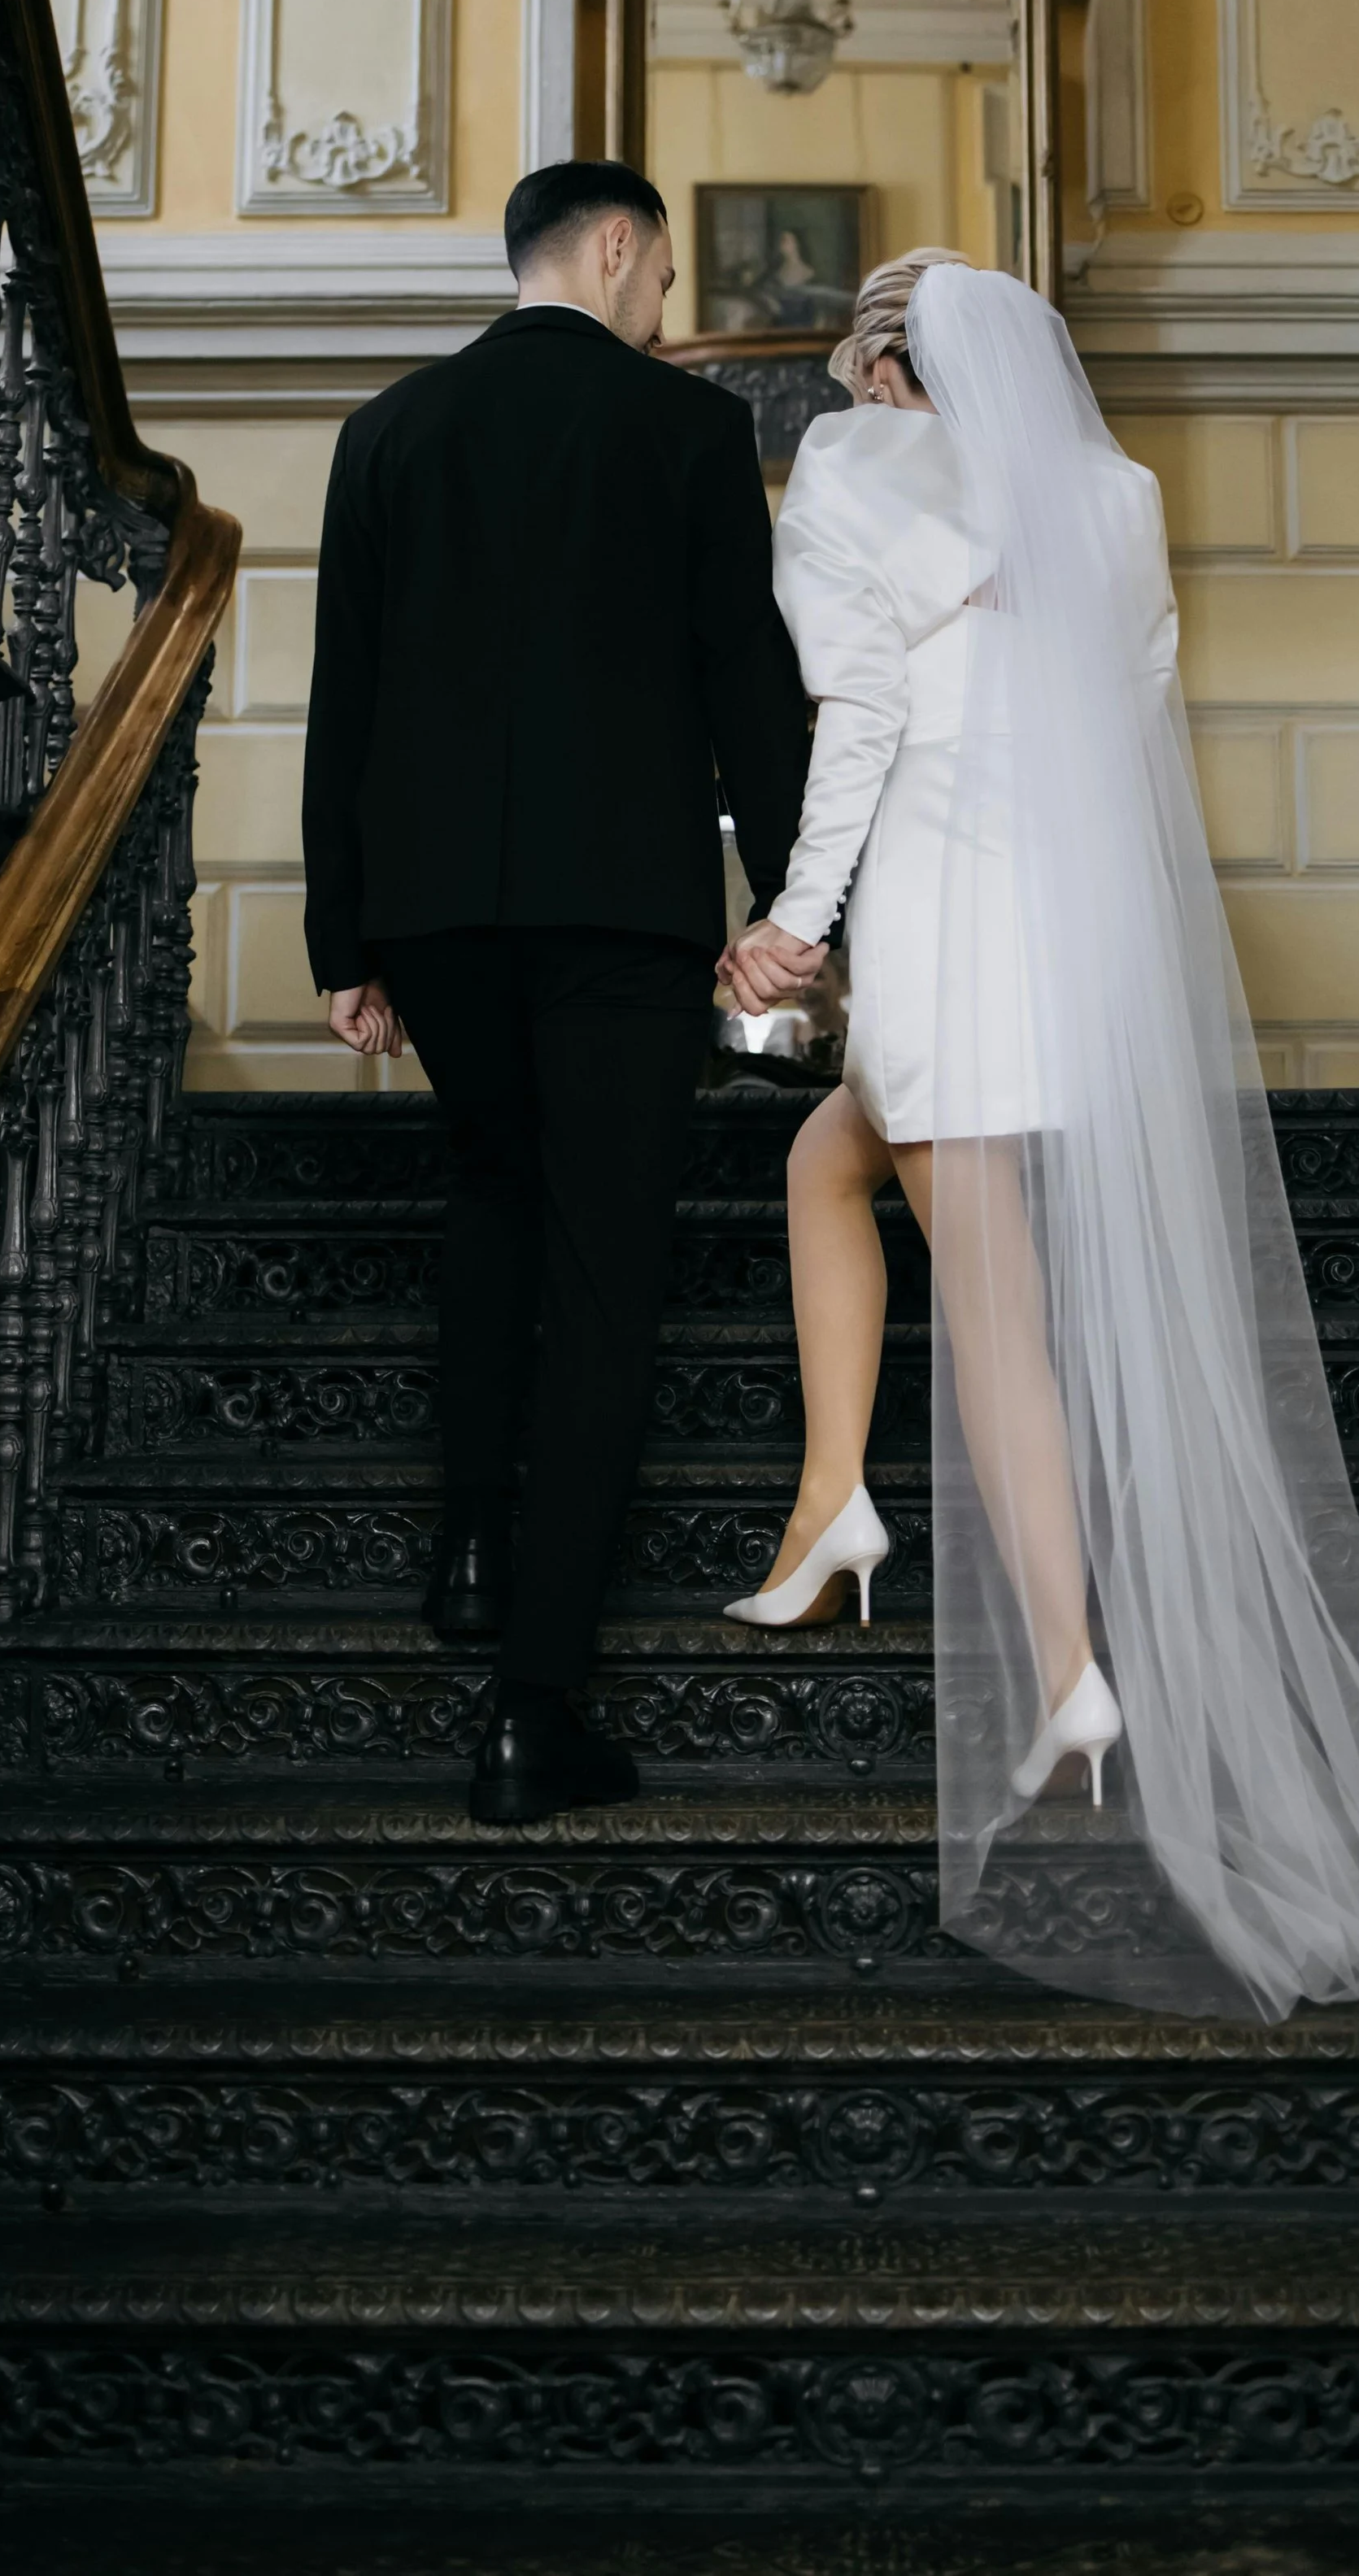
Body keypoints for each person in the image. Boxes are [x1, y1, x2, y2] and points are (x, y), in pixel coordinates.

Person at [720, 250, 1359, 2021]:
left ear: (881, 363)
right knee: (825, 1165)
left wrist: (793, 921)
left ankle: (1072, 1667)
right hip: (1069, 932)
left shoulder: (857, 472)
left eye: (861, 361)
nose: (852, 389)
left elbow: (852, 720)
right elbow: (1136, 706)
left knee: (991, 1301)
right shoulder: (1111, 492)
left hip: (934, 904)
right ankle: (830, 1500)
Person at [303, 159, 816, 1826]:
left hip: (434, 915)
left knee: (488, 1187)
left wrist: (342, 943)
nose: (660, 307)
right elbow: (746, 681)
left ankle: (464, 1552)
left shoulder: (386, 432)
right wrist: (797, 908)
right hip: (617, 916)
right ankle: (533, 1708)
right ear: (614, 251)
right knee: (604, 1278)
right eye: (658, 279)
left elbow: (345, 702)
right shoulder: (683, 434)